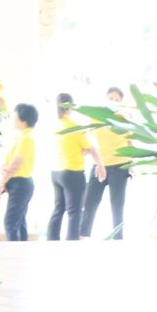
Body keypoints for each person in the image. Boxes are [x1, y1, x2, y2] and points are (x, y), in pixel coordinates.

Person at [46, 93, 99, 241]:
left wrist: (83, 151)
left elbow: (69, 147)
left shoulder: (55, 124)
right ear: (71, 106)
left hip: (56, 172)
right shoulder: (73, 126)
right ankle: (71, 246)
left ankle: (51, 241)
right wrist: (100, 164)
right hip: (72, 173)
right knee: (74, 211)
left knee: (58, 209)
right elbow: (90, 148)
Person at [80, 87, 129, 239]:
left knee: (117, 205)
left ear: (120, 103)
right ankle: (82, 236)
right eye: (111, 98)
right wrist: (86, 151)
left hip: (120, 165)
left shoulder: (123, 118)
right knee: (90, 203)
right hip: (99, 165)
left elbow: (130, 140)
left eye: (117, 100)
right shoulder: (96, 116)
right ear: (105, 98)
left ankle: (118, 238)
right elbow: (87, 137)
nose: (113, 101)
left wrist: (133, 164)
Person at [0, 103, 37, 241]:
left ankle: (13, 253)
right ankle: (20, 253)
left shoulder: (26, 139)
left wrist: (2, 183)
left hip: (21, 184)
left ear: (24, 120)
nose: (12, 119)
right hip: (18, 183)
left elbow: (15, 164)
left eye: (15, 116)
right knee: (19, 222)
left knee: (10, 222)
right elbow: (10, 162)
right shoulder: (21, 137)